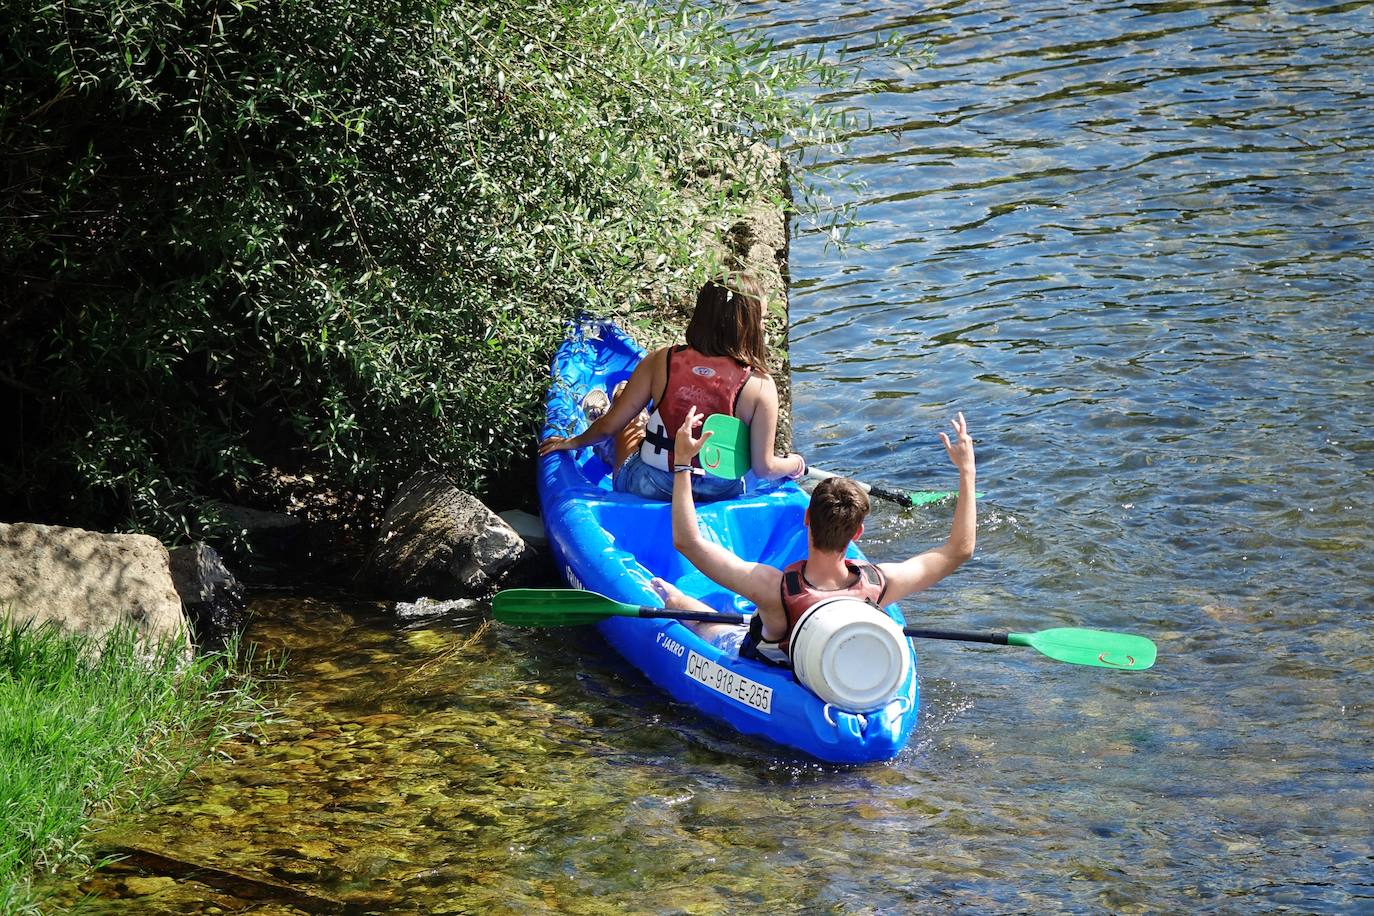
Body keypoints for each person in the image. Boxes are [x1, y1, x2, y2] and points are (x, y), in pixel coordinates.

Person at [657, 406, 977, 665]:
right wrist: (967, 471)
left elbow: (688, 541)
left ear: (807, 519)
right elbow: (958, 550)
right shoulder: (879, 585)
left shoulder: (772, 589)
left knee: (703, 621)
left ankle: (669, 595)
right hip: (830, 665)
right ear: (858, 533)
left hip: (762, 658)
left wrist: (683, 462)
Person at [538, 274, 806, 501]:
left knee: (627, 408)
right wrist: (795, 464)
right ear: (746, 327)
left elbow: (609, 426)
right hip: (719, 493)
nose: (763, 326)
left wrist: (571, 442)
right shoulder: (760, 385)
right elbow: (763, 467)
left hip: (650, 486)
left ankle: (610, 445)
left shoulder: (661, 361)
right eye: (761, 319)